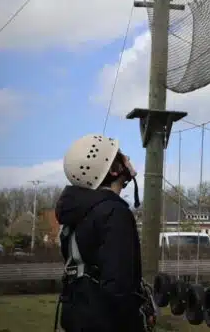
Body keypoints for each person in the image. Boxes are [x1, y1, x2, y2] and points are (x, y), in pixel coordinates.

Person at [54, 134, 156, 332]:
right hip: (106, 323)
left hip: (78, 316)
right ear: (114, 169)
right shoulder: (114, 213)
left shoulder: (79, 211)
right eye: (121, 155)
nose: (127, 158)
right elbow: (119, 286)